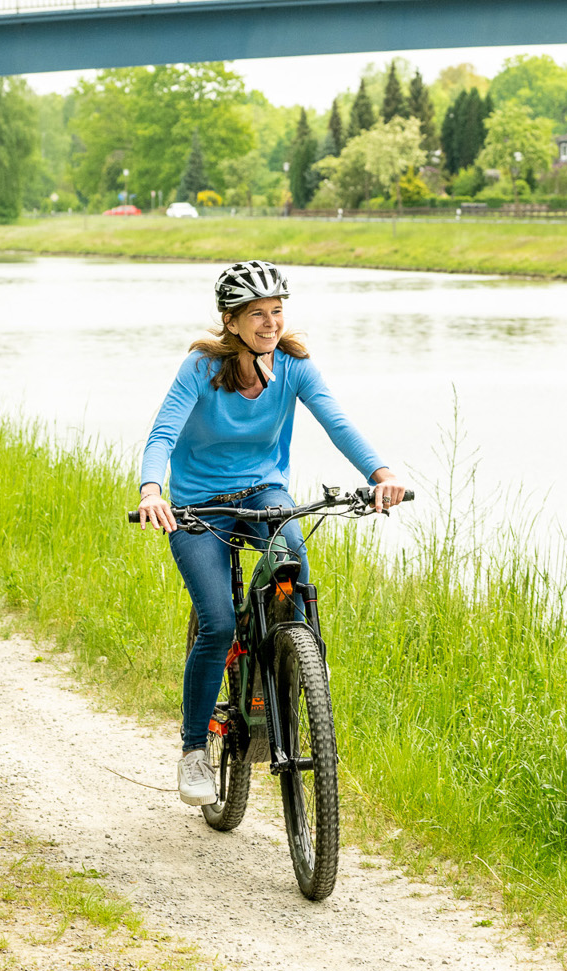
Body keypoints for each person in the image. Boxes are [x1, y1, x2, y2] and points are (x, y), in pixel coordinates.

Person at [135, 261, 406, 807]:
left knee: (290, 549)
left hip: (264, 491)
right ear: (231, 321)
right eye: (257, 314)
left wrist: (381, 474)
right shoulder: (200, 368)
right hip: (197, 506)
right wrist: (151, 490)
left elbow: (337, 422)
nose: (270, 322)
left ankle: (300, 655)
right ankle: (193, 751)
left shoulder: (295, 367)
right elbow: (163, 430)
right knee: (215, 623)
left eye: (277, 311)